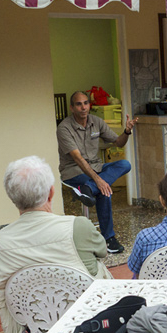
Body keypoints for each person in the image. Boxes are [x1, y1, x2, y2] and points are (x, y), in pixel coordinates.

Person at [0, 155, 109, 333]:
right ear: (52, 193)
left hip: (35, 327)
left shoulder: (0, 241)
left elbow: (2, 295)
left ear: (12, 198)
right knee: (98, 267)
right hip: (86, 321)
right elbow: (103, 251)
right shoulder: (78, 226)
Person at [57, 90, 138, 254]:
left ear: (89, 105)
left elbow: (118, 143)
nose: (83, 107)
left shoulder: (96, 122)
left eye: (85, 103)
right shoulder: (64, 128)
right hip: (73, 172)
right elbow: (78, 159)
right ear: (72, 108)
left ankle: (88, 189)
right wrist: (99, 181)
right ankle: (109, 239)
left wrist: (127, 131)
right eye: (79, 104)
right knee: (104, 190)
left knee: (125, 164)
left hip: (97, 168)